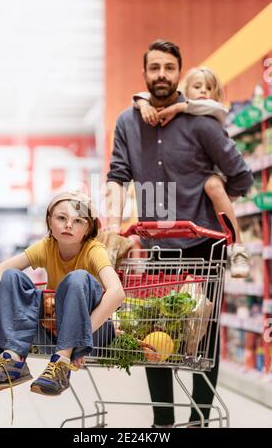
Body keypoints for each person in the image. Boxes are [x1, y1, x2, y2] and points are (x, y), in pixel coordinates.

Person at [106, 40, 253, 427]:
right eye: (154, 68)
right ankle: (163, 422)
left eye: (169, 68)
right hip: (159, 247)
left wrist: (210, 194)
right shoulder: (127, 123)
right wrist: (111, 227)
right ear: (145, 74)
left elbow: (242, 176)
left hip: (204, 246)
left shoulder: (201, 124)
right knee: (154, 333)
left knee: (202, 338)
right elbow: (118, 176)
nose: (161, 75)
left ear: (179, 73)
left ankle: (199, 418)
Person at [0, 191, 125, 397]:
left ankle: (62, 362)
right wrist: (9, 331)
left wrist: (78, 337)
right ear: (49, 221)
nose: (68, 225)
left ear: (88, 228)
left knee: (77, 279)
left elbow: (117, 293)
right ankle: (14, 361)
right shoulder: (47, 246)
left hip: (94, 332)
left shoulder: (94, 250)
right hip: (54, 330)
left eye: (78, 221)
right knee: (11, 276)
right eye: (61, 218)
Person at [132, 66, 249, 278]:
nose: (204, 91)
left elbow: (208, 107)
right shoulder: (177, 120)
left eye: (210, 88)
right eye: (197, 86)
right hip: (172, 226)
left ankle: (238, 247)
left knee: (213, 186)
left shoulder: (212, 112)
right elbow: (140, 96)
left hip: (213, 177)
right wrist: (142, 103)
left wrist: (180, 107)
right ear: (185, 90)